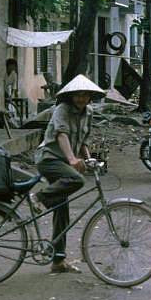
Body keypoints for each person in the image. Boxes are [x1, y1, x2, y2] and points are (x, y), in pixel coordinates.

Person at [32, 75, 105, 273]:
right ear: (71, 96)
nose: (81, 99)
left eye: (85, 95)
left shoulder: (88, 113)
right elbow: (61, 134)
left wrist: (88, 159)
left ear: (90, 97)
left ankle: (58, 260)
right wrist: (72, 159)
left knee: (62, 209)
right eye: (78, 95)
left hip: (64, 162)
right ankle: (38, 198)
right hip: (48, 158)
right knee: (76, 180)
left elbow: (83, 140)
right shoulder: (61, 110)